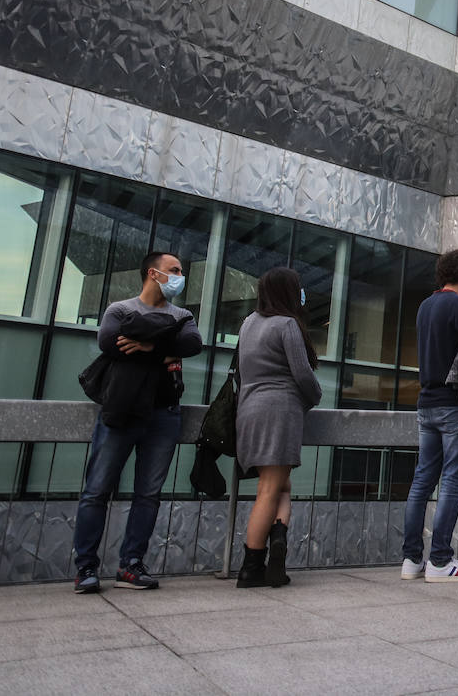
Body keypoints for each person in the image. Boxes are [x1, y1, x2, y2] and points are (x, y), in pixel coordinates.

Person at [73, 251, 203, 594]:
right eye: (173, 270)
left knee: (148, 494)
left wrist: (147, 344)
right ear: (153, 273)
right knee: (97, 490)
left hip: (164, 415)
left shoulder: (183, 315)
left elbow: (192, 343)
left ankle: (131, 565)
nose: (179, 275)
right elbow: (110, 343)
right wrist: (164, 347)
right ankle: (85, 567)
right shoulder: (121, 309)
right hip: (122, 410)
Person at [401, 249, 458, 583]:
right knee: (452, 481)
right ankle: (440, 561)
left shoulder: (426, 305)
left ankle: (411, 560)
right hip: (455, 404)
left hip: (426, 402)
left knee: (422, 480)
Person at [234, 267, 324, 588]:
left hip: (248, 411)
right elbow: (302, 375)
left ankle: (277, 552)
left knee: (279, 486)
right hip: (280, 411)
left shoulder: (248, 324)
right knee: (270, 490)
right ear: (289, 292)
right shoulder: (287, 325)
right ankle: (251, 566)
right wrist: (315, 397)